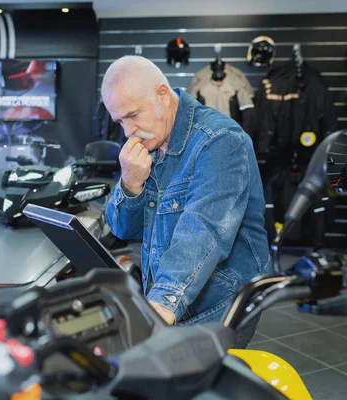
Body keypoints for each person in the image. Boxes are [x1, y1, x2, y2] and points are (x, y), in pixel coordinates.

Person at [102, 56, 270, 348]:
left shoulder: (220, 140)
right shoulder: (150, 138)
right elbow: (122, 229)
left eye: (132, 115)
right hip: (172, 296)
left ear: (162, 96)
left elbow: (203, 230)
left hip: (220, 301)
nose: (127, 131)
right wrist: (130, 183)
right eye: (120, 121)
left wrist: (161, 304)